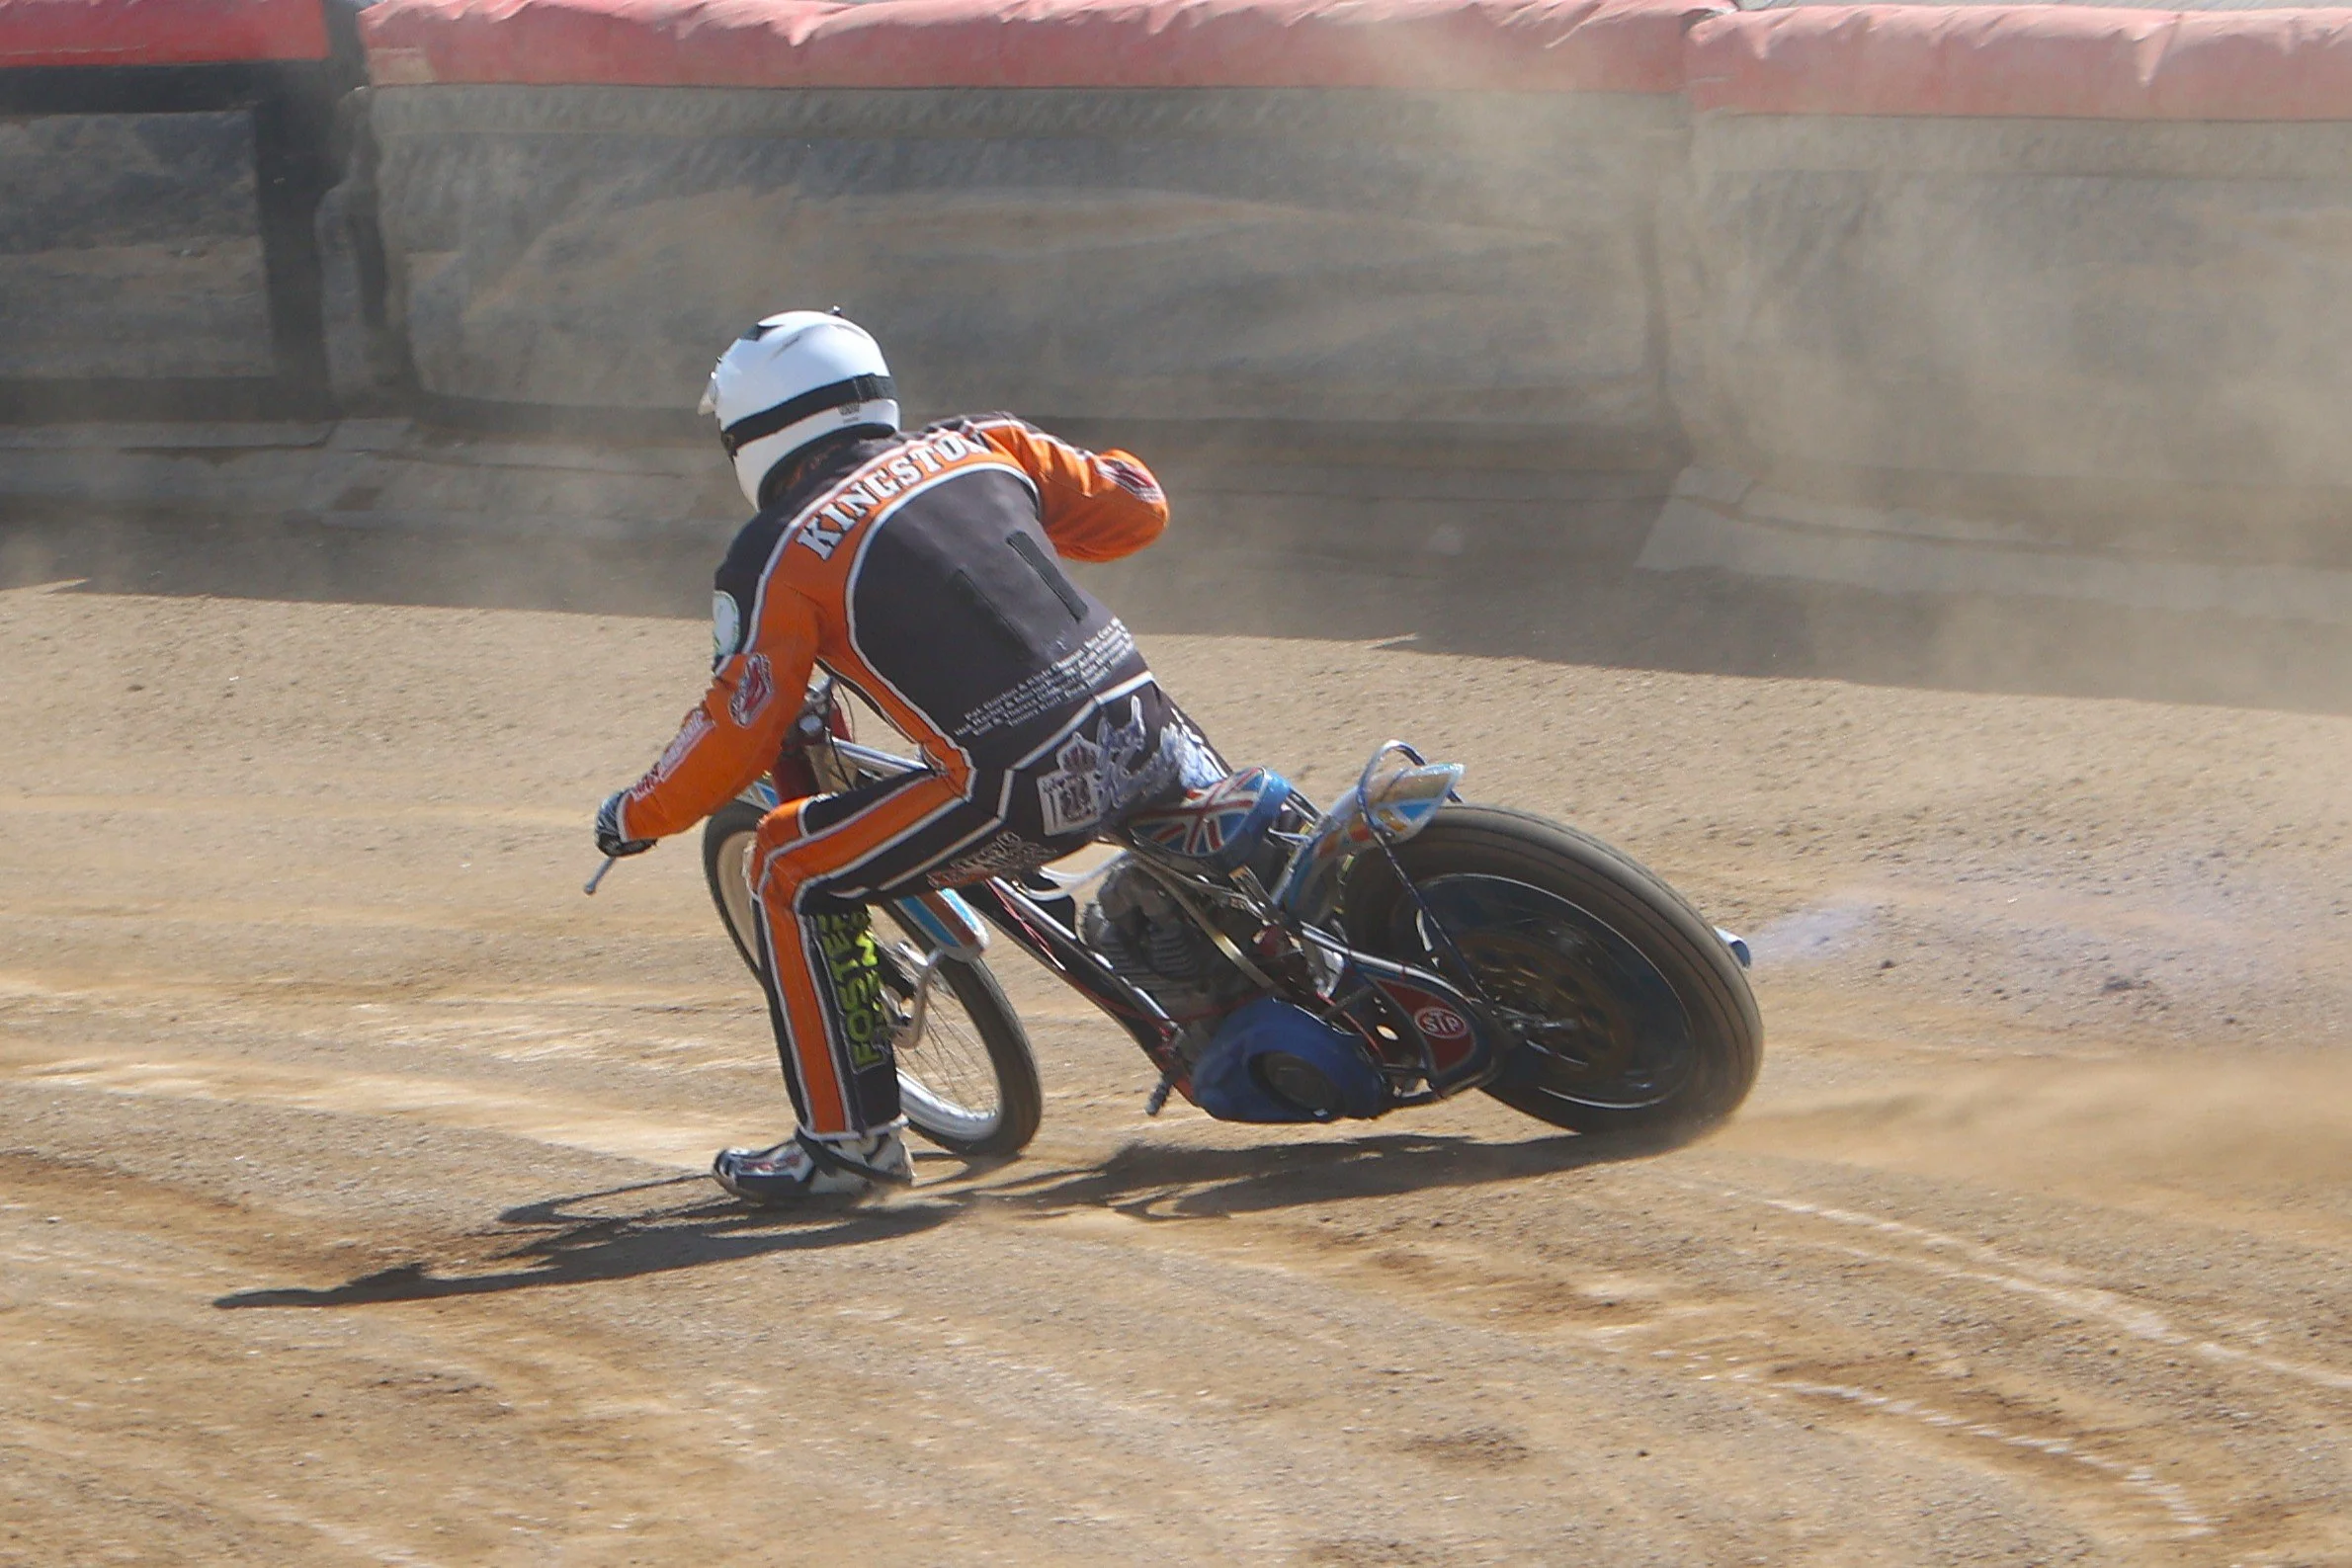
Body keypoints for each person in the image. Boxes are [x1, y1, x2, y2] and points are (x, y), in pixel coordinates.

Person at [594, 309, 1220, 1205]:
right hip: (1151, 728)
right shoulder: (985, 443)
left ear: (752, 433)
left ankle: (847, 1146)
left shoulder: (776, 552)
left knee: (785, 864)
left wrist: (637, 811)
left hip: (1023, 792)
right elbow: (1136, 508)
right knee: (1250, 828)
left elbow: (742, 725)